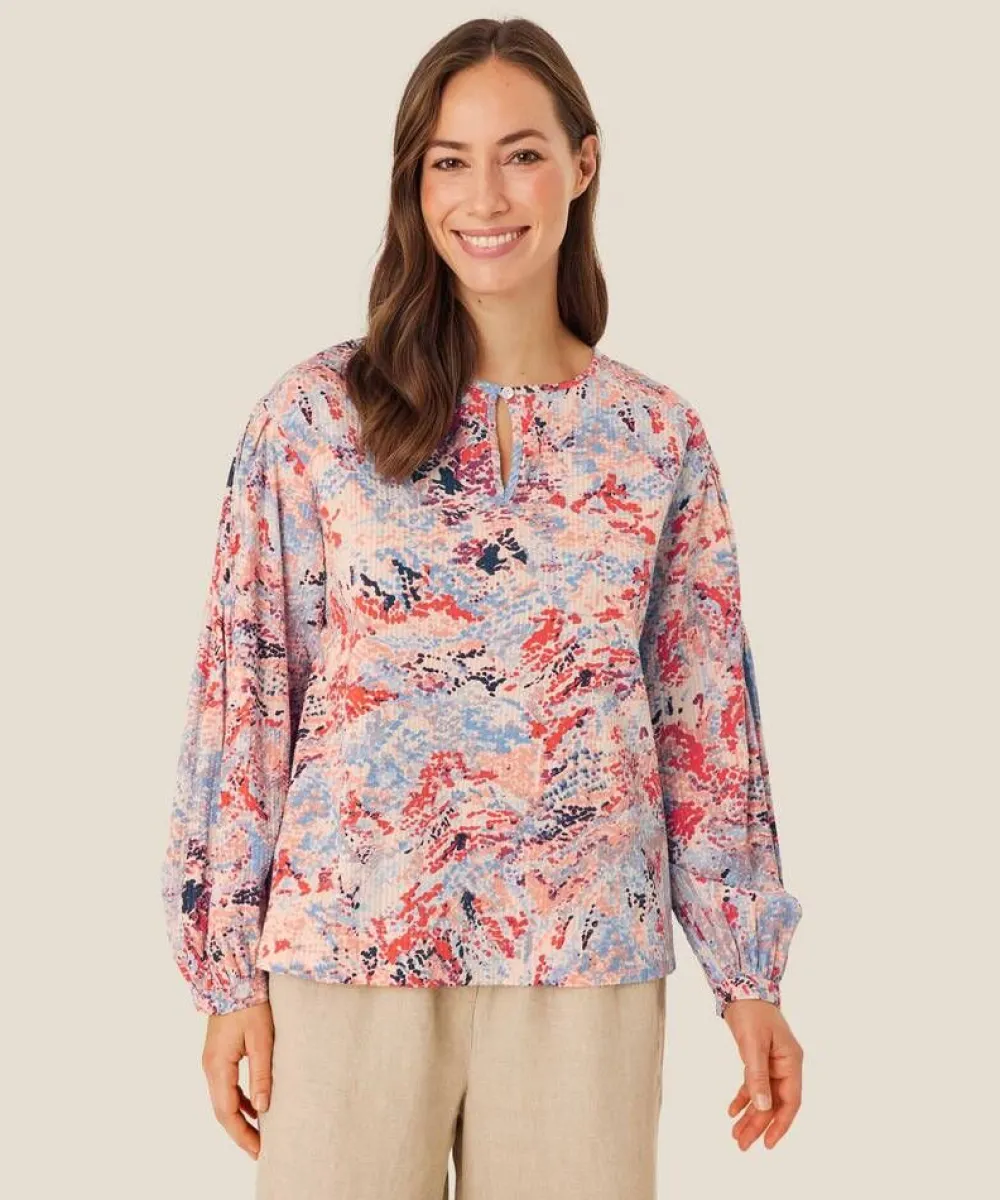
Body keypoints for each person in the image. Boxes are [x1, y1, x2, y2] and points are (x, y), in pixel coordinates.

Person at [160, 16, 804, 1199]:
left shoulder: (655, 437)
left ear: (583, 165)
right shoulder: (316, 418)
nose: (485, 196)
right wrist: (227, 973)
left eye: (521, 154)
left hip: (584, 962)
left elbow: (705, 720)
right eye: (448, 161)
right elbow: (246, 693)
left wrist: (747, 972)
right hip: (348, 951)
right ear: (414, 183)